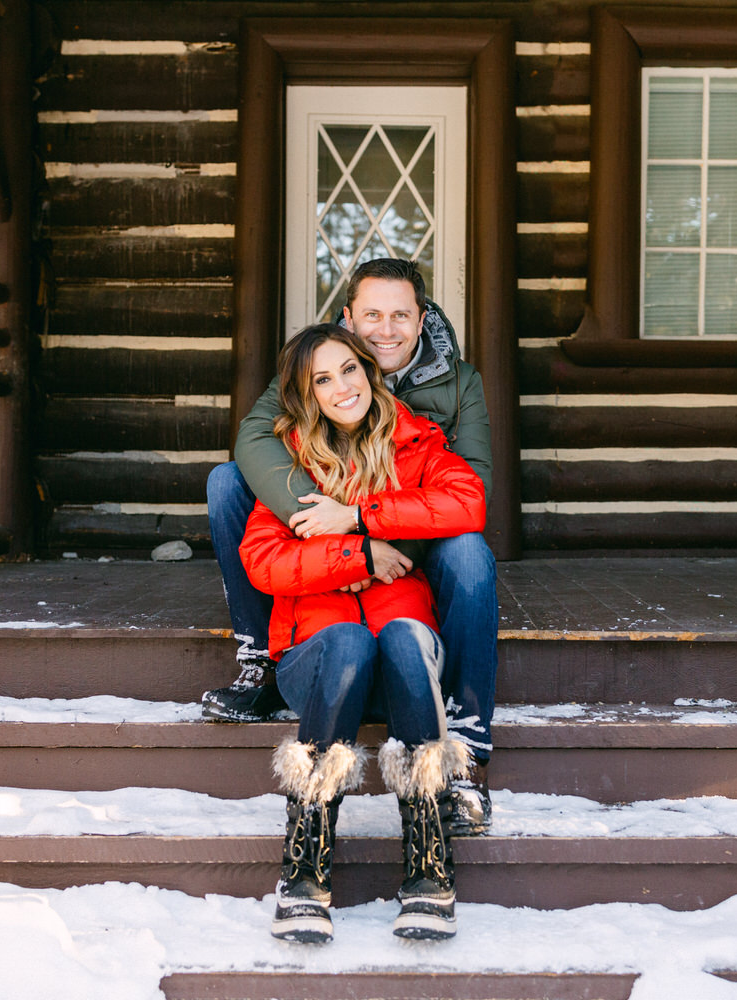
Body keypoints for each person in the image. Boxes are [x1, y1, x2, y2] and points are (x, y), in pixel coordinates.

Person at [204, 258, 498, 835]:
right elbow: (254, 439)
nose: (385, 330)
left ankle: (462, 735)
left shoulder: (459, 382)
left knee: (469, 552)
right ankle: (262, 659)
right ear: (348, 318)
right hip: (328, 514)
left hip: (415, 529)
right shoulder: (319, 361)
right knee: (227, 482)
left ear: (422, 318)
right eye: (371, 316)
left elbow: (472, 488)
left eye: (400, 316)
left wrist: (373, 528)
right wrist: (335, 530)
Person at [241, 324, 486, 942]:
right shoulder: (290, 465)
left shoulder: (415, 446)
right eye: (323, 379)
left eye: (349, 369)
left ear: (368, 372)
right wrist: (360, 559)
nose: (342, 386)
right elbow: (265, 562)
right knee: (348, 643)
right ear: (307, 394)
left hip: (406, 667)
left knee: (405, 636)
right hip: (320, 663)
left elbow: (468, 502)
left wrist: (357, 519)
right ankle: (304, 870)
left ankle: (430, 868)